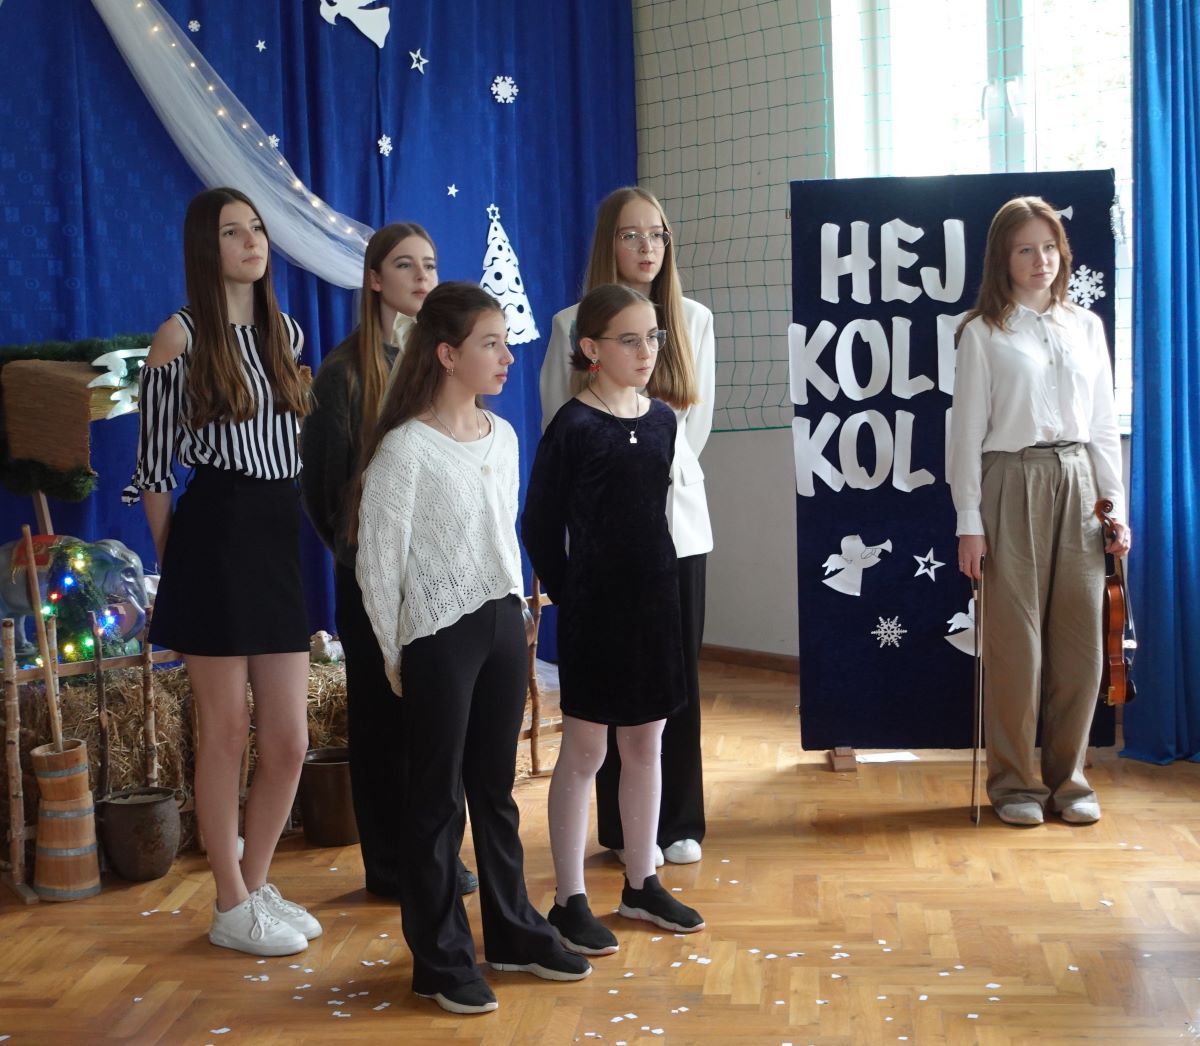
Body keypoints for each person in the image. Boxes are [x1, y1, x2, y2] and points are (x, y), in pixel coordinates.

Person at [353, 282, 591, 1015]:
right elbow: (377, 566)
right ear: (448, 354)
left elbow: (499, 535)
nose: (507, 357)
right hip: (436, 637)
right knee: (435, 800)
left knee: (495, 789)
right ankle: (440, 959)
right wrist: (397, 654)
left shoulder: (504, 436)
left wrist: (517, 618)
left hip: (501, 624)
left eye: (506, 343)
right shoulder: (404, 450)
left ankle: (515, 932)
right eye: (491, 344)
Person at [124, 187, 320, 956]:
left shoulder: (286, 331)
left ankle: (256, 885)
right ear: (206, 248)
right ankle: (229, 899)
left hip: (275, 534)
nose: (251, 241)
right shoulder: (179, 336)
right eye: (232, 231)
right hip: (214, 532)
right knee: (226, 729)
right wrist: (175, 560)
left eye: (257, 228)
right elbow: (154, 468)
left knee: (289, 738)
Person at [523, 283, 706, 958]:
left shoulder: (661, 421)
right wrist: (575, 593)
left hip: (656, 604)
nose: (646, 350)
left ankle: (641, 882)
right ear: (592, 349)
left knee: (646, 746)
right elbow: (538, 524)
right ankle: (568, 898)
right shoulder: (572, 426)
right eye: (630, 339)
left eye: (653, 337)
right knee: (585, 752)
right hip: (596, 611)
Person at [300, 223, 476, 899]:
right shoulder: (345, 374)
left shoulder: (442, 362)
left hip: (438, 574)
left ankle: (440, 856)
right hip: (372, 577)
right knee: (381, 720)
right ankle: (392, 867)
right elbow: (323, 492)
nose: (422, 276)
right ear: (375, 279)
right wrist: (364, 559)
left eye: (429, 264)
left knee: (441, 721)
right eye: (405, 265)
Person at [539, 186, 714, 867]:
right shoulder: (567, 325)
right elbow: (562, 433)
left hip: (677, 533)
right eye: (632, 234)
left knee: (673, 683)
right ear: (608, 243)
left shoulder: (694, 319)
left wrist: (646, 480)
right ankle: (620, 830)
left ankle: (678, 822)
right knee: (607, 692)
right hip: (604, 546)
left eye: (658, 234)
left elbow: (692, 427)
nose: (647, 247)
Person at [948, 195, 1132, 827]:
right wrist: (969, 524)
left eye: (1049, 247)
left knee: (1081, 645)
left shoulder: (1086, 327)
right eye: (1025, 248)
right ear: (1003, 257)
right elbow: (965, 435)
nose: (1040, 260)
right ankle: (1013, 784)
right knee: (1017, 647)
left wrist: (1116, 507)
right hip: (1011, 479)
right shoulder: (981, 333)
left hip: (1079, 482)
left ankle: (1069, 779)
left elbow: (1102, 425)